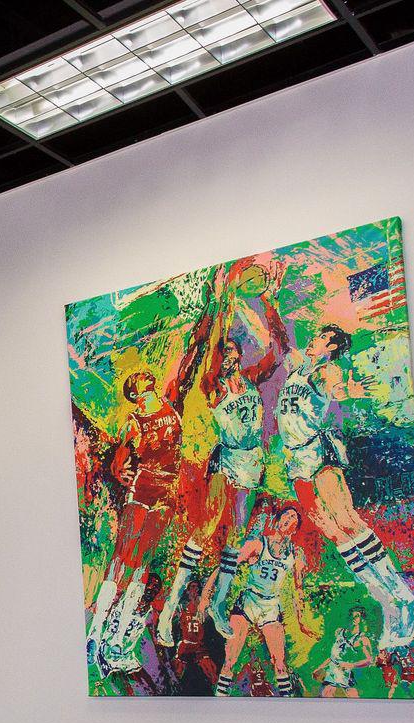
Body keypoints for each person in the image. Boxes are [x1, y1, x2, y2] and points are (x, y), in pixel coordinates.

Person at [88, 286, 219, 673]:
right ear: (134, 393)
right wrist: (121, 468)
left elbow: (185, 367)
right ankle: (96, 633)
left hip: (167, 485)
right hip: (144, 485)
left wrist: (202, 324)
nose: (145, 389)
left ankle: (117, 636)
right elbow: (119, 462)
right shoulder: (135, 421)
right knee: (123, 558)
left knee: (143, 562)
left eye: (147, 384)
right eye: (139, 388)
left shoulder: (169, 403)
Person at [275, 320, 414, 649]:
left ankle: (408, 601)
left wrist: (349, 391)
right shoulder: (298, 370)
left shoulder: (324, 371)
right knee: (334, 534)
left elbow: (335, 386)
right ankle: (389, 607)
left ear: (330, 347)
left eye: (319, 338)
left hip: (319, 452)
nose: (313, 341)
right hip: (295, 460)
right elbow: (281, 341)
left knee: (347, 520)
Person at [160, 263, 289, 645]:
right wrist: (220, 303)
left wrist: (270, 302)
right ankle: (169, 610)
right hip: (227, 459)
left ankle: (218, 604)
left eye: (233, 351)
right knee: (206, 530)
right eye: (226, 353)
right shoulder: (214, 384)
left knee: (234, 539)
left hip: (252, 463)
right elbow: (214, 351)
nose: (230, 356)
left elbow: (278, 353)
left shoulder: (249, 380)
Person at [216, 506, 311, 698]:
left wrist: (301, 619)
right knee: (230, 659)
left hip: (270, 606)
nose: (288, 519)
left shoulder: (296, 553)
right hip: (249, 600)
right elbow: (227, 566)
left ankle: (287, 700)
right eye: (285, 515)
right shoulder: (259, 544)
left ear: (296, 527)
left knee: (280, 663)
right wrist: (211, 598)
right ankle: (220, 695)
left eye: (293, 517)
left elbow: (298, 589)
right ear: (277, 521)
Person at [317, 606, 376, 698]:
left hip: (347, 675)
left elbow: (369, 660)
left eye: (356, 616)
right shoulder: (339, 632)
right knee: (325, 695)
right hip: (331, 672)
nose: (353, 618)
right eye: (351, 615)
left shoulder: (362, 639)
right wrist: (320, 667)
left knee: (352, 700)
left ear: (361, 619)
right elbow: (333, 656)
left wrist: (352, 665)